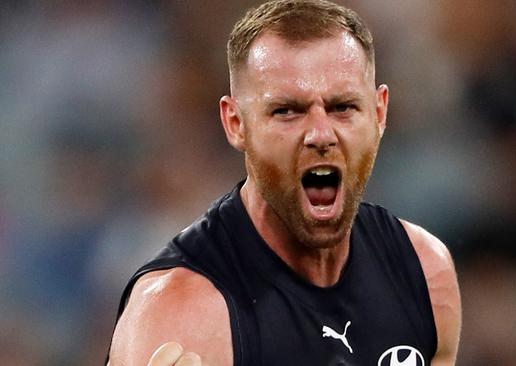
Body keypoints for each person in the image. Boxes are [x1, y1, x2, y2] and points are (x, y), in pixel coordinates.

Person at [107, 1, 461, 365]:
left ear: (379, 112)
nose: (321, 134)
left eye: (342, 107)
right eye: (287, 111)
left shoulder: (424, 272)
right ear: (236, 123)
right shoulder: (181, 314)